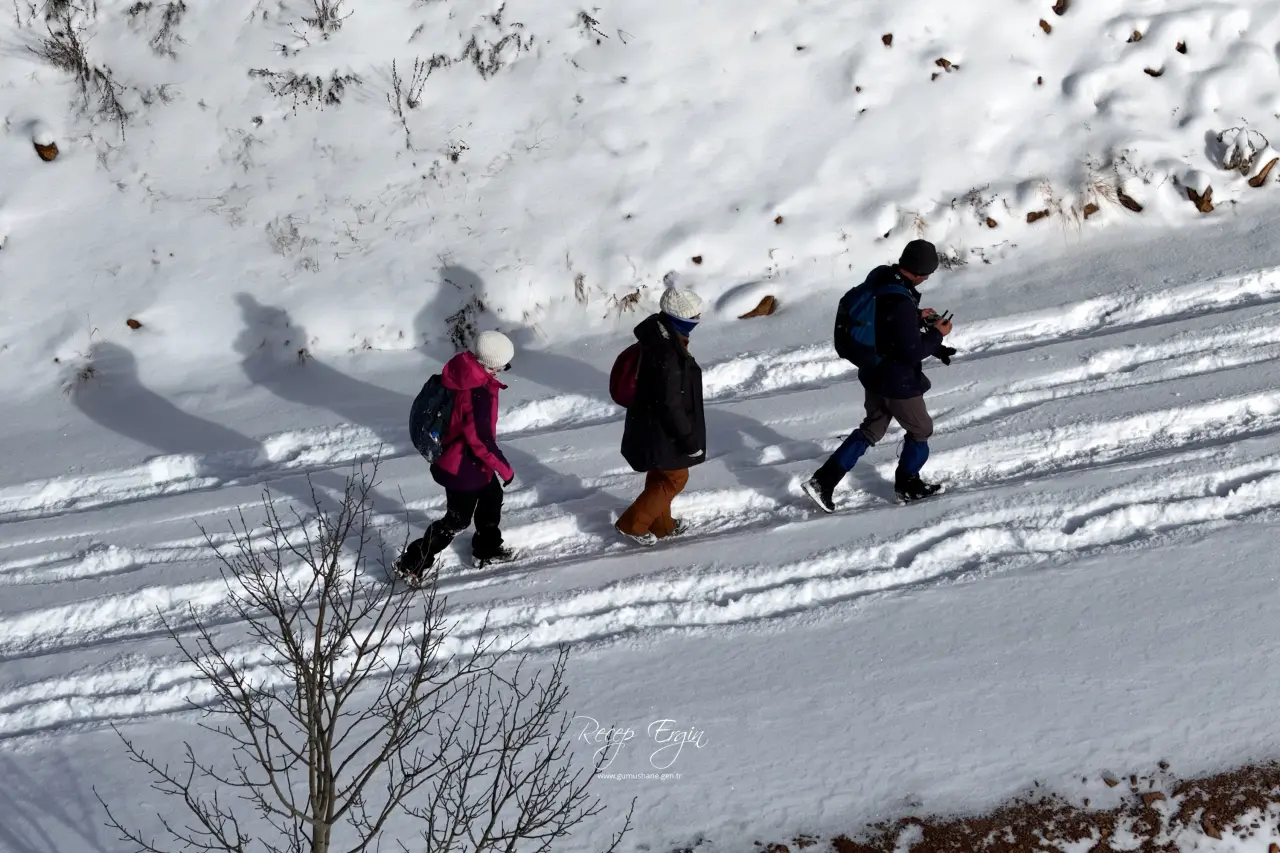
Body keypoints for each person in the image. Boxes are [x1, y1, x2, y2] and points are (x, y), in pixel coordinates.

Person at [803, 239, 957, 512]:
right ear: (921, 273)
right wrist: (937, 334)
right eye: (928, 274)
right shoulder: (899, 300)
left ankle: (822, 482)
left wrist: (917, 317)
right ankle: (908, 486)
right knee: (921, 429)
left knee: (873, 427)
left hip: (873, 370)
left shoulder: (883, 279)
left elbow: (887, 325)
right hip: (896, 380)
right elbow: (911, 351)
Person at [396, 330, 518, 580]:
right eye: (502, 365)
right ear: (490, 365)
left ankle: (487, 548)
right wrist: (505, 468)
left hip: (464, 462)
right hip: (463, 470)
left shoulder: (464, 369)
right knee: (456, 521)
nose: (503, 370)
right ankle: (412, 563)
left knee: (492, 496)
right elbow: (480, 441)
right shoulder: (476, 392)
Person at [615, 285, 707, 545]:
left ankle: (662, 526)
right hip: (662, 428)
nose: (698, 320)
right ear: (680, 318)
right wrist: (689, 441)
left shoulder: (658, 334)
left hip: (649, 422)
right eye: (694, 316)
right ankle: (632, 524)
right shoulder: (669, 353)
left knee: (662, 474)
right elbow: (671, 404)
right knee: (676, 477)